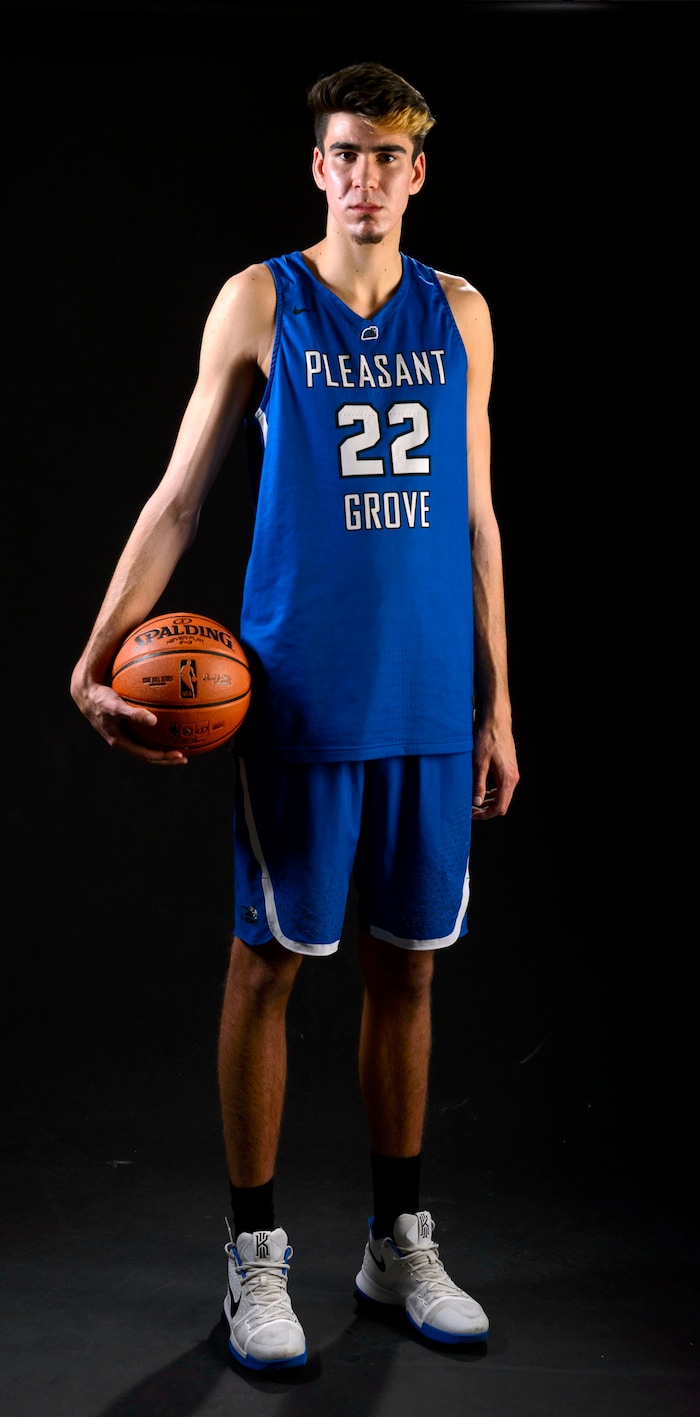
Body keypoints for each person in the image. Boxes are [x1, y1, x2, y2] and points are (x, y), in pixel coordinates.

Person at [70, 60, 519, 1372]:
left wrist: (500, 701)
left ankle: (396, 1239)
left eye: (390, 154)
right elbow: (177, 499)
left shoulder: (467, 316)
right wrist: (92, 656)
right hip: (303, 702)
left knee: (410, 965)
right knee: (267, 967)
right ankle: (254, 1254)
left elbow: (482, 519)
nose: (367, 176)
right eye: (346, 154)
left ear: (419, 170)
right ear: (316, 167)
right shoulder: (261, 302)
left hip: (432, 699)